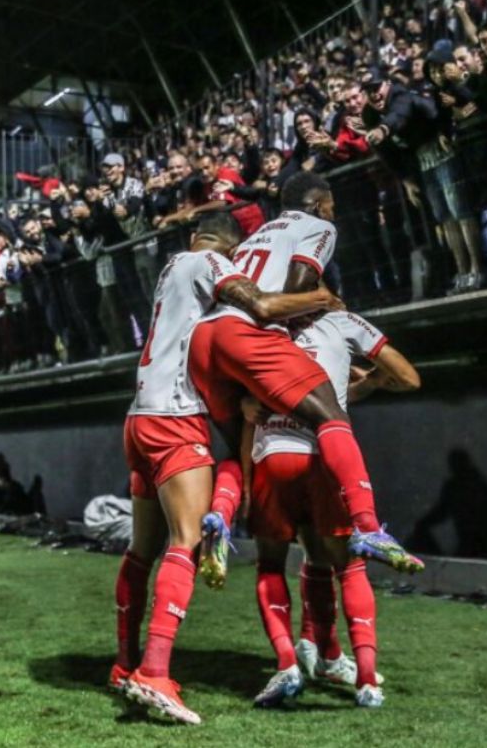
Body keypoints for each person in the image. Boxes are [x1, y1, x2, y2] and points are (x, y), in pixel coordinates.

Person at [115, 210, 340, 725]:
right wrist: (319, 299)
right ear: (233, 249)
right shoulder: (211, 262)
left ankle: (124, 664)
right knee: (185, 544)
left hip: (139, 418)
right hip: (175, 417)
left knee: (141, 551)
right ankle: (153, 672)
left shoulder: (172, 267)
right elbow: (260, 305)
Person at [189, 172, 422, 573]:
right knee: (332, 414)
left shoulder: (257, 235)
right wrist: (321, 300)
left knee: (235, 444)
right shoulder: (319, 227)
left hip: (207, 337)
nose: (335, 211)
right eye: (332, 204)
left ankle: (222, 518)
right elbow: (297, 287)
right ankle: (367, 526)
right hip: (254, 337)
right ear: (318, 205)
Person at [243, 310, 421, 710]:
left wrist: (242, 402)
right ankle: (366, 679)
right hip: (325, 452)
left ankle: (301, 659)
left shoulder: (259, 323)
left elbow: (240, 396)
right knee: (347, 565)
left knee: (282, 563)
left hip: (271, 451)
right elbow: (409, 378)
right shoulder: (341, 321)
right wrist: (372, 377)